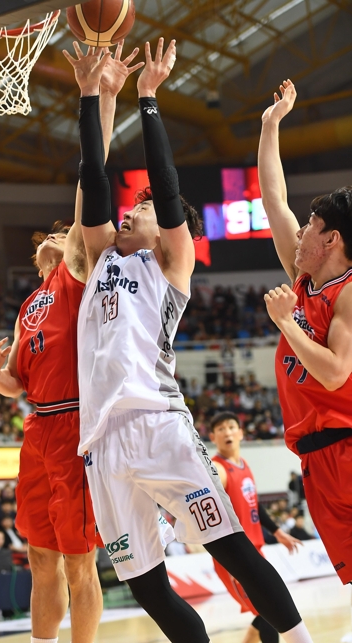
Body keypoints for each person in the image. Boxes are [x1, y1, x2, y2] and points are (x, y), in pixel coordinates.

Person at [68, 37, 313, 643]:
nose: (133, 209)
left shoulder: (170, 265)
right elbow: (95, 183)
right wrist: (90, 96)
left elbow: (167, 188)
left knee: (231, 548)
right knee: (148, 586)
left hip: (158, 424)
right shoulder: (103, 258)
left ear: (170, 228)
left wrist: (147, 98)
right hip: (102, 443)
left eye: (145, 207)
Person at [0, 42, 143, 643]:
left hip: (78, 428)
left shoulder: (77, 270)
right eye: (51, 235)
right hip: (37, 430)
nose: (60, 233)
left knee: (80, 561)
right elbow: (17, 383)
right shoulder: (31, 305)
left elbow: (92, 178)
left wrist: (98, 96)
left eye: (65, 230)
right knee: (41, 558)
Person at [258, 80, 352, 641]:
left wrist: (287, 324)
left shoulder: (348, 291)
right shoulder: (305, 277)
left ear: (332, 238)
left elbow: (338, 372)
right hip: (318, 459)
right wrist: (271, 125)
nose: (300, 232)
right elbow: (274, 198)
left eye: (311, 227)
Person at [209, 411, 302, 643]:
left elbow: (254, 504)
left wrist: (278, 532)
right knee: (268, 610)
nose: (227, 431)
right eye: (220, 429)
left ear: (241, 433)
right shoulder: (218, 470)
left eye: (231, 426)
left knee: (266, 608)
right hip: (236, 556)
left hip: (255, 550)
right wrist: (230, 559)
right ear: (212, 437)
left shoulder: (244, 465)